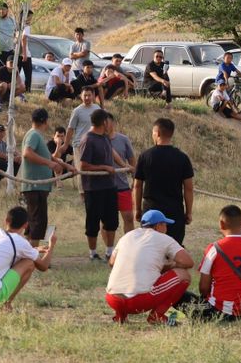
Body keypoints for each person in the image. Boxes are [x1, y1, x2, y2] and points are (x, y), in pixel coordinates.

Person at [105, 209, 194, 324]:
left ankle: (120, 316)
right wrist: (169, 266)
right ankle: (157, 316)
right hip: (139, 301)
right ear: (158, 226)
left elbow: (112, 263)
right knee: (184, 275)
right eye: (165, 225)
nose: (166, 228)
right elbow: (188, 262)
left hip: (112, 299)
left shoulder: (127, 236)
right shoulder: (164, 238)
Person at [197, 205, 241, 321]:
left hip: (220, 310)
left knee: (183, 297)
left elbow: (204, 288)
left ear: (221, 224)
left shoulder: (214, 248)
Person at [133, 117, 194, 246]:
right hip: (174, 210)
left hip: (151, 211)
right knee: (173, 247)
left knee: (151, 247)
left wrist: (137, 209)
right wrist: (188, 212)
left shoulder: (145, 156)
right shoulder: (182, 158)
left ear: (157, 133)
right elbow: (188, 188)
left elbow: (137, 186)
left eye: (153, 133)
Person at [80, 109, 121, 261]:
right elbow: (83, 165)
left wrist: (125, 166)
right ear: (104, 122)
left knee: (111, 221)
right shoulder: (88, 139)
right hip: (93, 189)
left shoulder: (105, 137)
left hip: (109, 186)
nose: (110, 124)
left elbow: (112, 155)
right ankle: (93, 253)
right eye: (108, 121)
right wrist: (104, 167)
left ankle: (110, 252)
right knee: (93, 221)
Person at [19, 109, 64, 245]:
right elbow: (27, 153)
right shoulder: (34, 135)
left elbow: (48, 156)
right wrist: (50, 164)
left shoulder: (37, 135)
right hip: (35, 186)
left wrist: (67, 166)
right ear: (45, 121)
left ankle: (28, 252)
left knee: (33, 223)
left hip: (39, 187)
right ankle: (32, 254)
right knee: (37, 224)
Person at [107, 118, 137, 235]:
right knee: (107, 221)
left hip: (122, 185)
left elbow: (132, 160)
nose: (105, 125)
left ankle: (129, 243)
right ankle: (109, 245)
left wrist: (135, 180)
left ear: (113, 123)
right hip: (105, 186)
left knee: (129, 217)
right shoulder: (97, 140)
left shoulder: (123, 139)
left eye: (107, 122)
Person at [67, 85, 100, 150]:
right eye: (85, 95)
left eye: (89, 95)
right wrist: (66, 144)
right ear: (81, 96)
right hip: (79, 145)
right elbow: (70, 128)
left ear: (93, 96)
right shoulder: (77, 111)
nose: (87, 98)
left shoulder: (97, 108)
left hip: (94, 145)